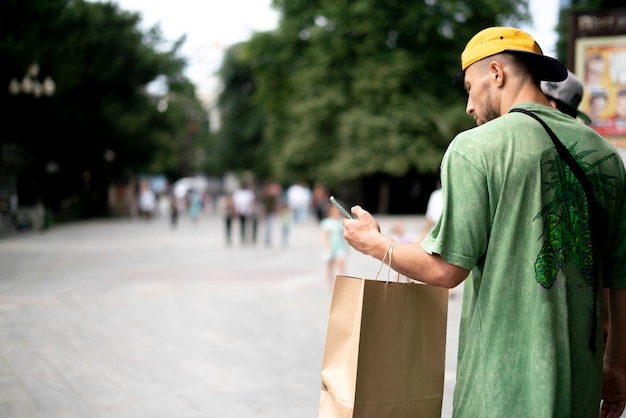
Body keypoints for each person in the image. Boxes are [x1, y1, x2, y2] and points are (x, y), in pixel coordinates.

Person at [342, 27, 626, 418]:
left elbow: (445, 268)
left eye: (469, 87)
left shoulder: (475, 147)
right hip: (580, 387)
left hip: (502, 388)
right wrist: (617, 366)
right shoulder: (606, 156)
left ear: (497, 72)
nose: (468, 106)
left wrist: (374, 243)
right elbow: (620, 277)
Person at [320, 204, 348, 290]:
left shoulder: (341, 222)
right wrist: (327, 247)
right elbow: (325, 236)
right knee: (329, 265)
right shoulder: (327, 222)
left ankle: (342, 282)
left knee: (341, 263)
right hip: (331, 246)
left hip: (340, 246)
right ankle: (329, 282)